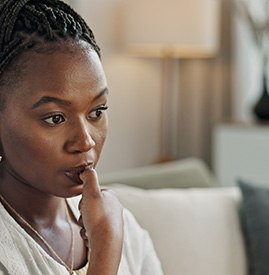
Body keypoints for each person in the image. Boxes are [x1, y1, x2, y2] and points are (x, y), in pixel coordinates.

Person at [0, 1, 163, 274]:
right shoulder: (110, 235)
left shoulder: (125, 230)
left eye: (96, 111)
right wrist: (105, 253)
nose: (85, 141)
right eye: (55, 118)